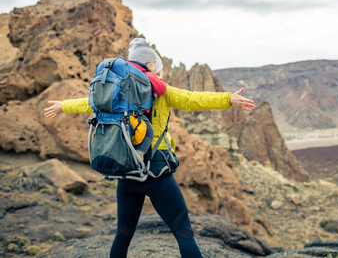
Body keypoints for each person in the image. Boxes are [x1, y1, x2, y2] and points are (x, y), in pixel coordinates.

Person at [44, 40, 255, 258]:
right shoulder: (161, 90)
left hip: (127, 170)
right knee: (183, 233)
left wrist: (63, 106)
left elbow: (88, 103)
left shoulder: (117, 90)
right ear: (150, 64)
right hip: (156, 172)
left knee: (122, 236)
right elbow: (193, 99)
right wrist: (228, 99)